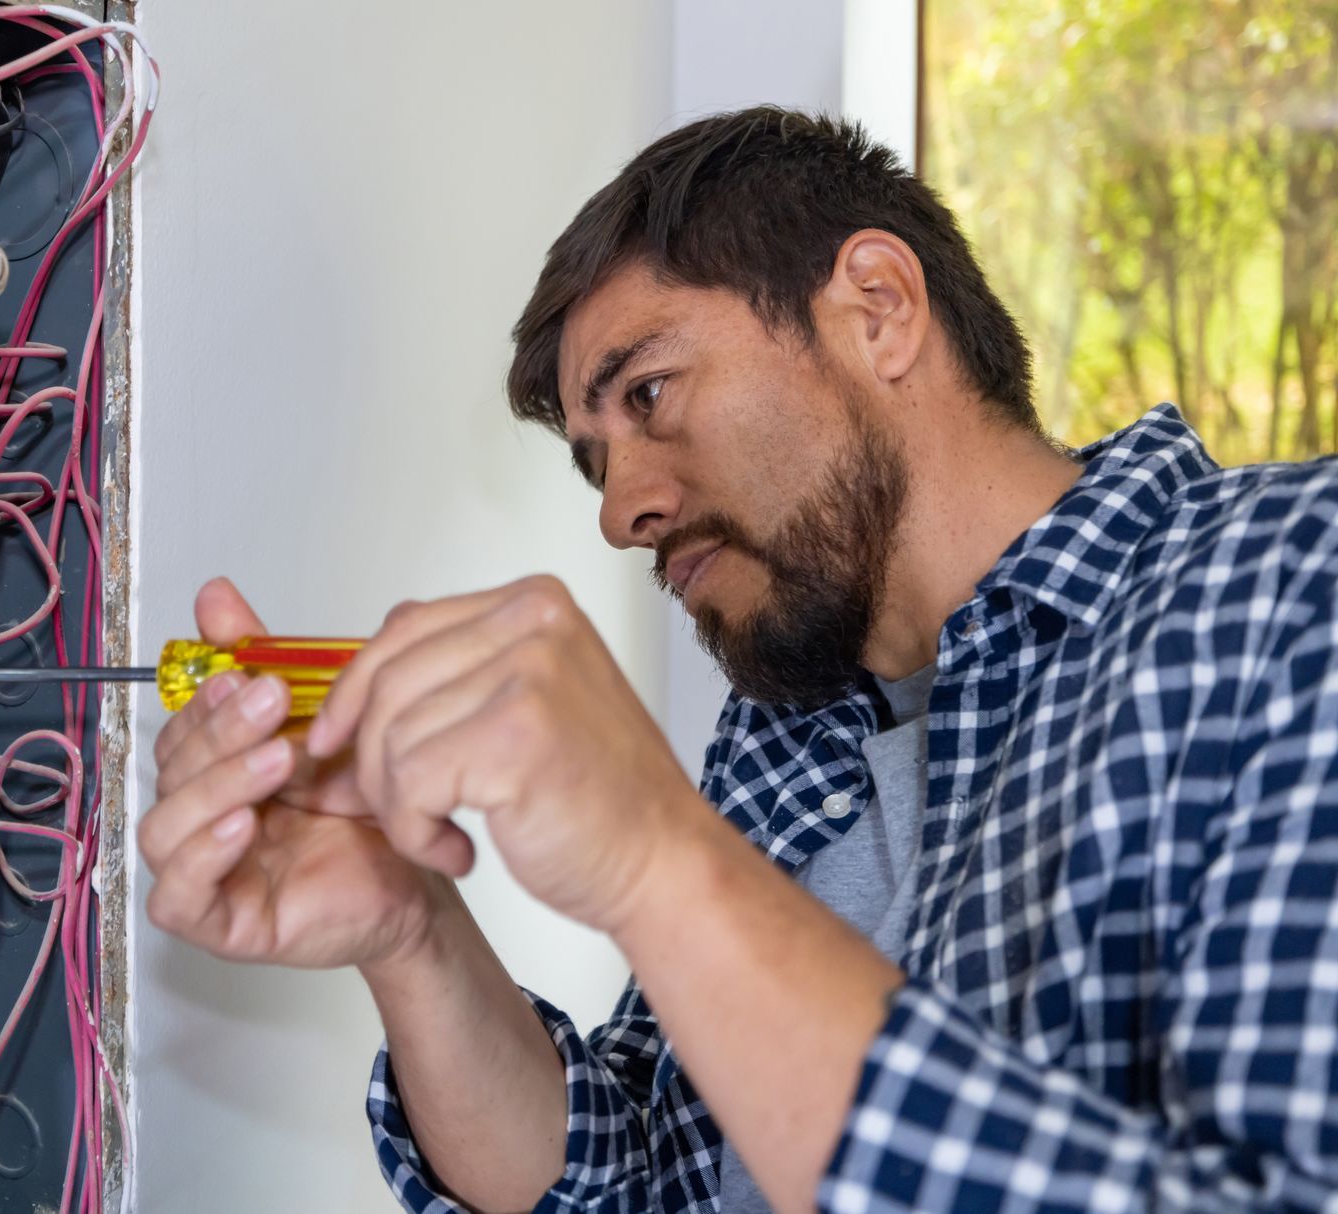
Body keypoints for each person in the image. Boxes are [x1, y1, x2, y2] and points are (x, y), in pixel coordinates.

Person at [137, 106, 1338, 1212]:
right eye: (594, 461)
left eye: (650, 392)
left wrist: (661, 862)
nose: (619, 512)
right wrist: (412, 926)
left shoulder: (1290, 584)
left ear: (877, 306)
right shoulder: (786, 730)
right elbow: (637, 1174)